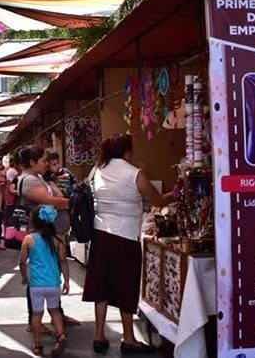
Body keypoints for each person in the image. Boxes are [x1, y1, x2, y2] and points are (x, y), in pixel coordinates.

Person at [83, 135, 166, 355]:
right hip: (126, 237)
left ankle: (99, 336)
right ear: (127, 151)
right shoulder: (134, 173)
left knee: (101, 286)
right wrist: (171, 195)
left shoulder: (97, 170)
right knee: (126, 286)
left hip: (100, 235)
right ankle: (128, 338)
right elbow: (157, 200)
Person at [18, 146, 71, 333]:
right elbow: (50, 200)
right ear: (32, 162)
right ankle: (36, 320)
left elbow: (56, 195)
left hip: (50, 233)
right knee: (40, 275)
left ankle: (56, 313)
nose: (46, 164)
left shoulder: (39, 178)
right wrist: (67, 203)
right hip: (41, 235)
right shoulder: (29, 181)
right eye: (42, 160)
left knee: (50, 272)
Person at [20, 206, 69, 358]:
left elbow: (22, 262)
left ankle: (37, 345)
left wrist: (24, 277)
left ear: (33, 221)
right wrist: (66, 281)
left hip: (36, 284)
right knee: (55, 311)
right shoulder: (58, 240)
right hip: (53, 283)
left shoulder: (29, 239)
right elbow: (63, 262)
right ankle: (61, 336)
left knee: (37, 314)